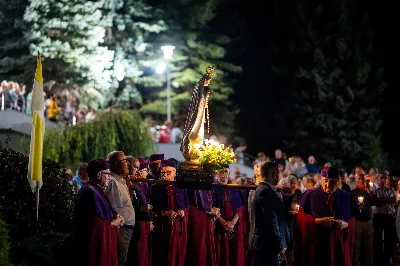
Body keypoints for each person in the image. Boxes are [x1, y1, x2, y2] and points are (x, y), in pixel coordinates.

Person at [295, 166, 358, 266]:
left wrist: (345, 224)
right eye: (325, 181)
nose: (328, 185)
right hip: (318, 243)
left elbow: (353, 219)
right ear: (321, 179)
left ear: (338, 180)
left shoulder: (346, 196)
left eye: (332, 181)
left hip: (338, 243)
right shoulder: (310, 194)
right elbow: (300, 218)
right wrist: (317, 221)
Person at [73, 159, 124, 266]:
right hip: (94, 249)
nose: (110, 178)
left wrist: (115, 215)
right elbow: (89, 223)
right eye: (108, 174)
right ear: (99, 175)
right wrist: (112, 223)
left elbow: (105, 210)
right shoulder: (88, 191)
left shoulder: (97, 189)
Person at [150, 160, 189, 266]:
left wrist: (182, 211)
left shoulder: (181, 187)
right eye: (163, 173)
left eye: (168, 173)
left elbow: (186, 206)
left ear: (175, 173)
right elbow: (151, 209)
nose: (165, 176)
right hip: (161, 227)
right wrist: (163, 212)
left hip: (177, 228)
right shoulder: (155, 187)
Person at [250, 162, 288, 266]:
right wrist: (279, 243)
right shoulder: (266, 192)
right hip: (267, 245)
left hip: (267, 244)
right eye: (278, 174)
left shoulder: (266, 190)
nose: (279, 177)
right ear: (273, 174)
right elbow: (272, 220)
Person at [107, 151, 136, 266]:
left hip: (127, 227)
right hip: (121, 228)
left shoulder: (122, 182)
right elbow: (114, 209)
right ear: (114, 164)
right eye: (124, 161)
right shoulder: (113, 183)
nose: (128, 164)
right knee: (120, 259)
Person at [213, 165, 244, 266]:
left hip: (233, 229)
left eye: (226, 171)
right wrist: (224, 223)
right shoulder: (213, 188)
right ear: (217, 172)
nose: (224, 174)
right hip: (218, 227)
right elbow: (211, 207)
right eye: (221, 171)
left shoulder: (234, 188)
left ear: (229, 172)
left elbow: (239, 209)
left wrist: (232, 223)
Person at [350, 173, 374, 266]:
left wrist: (369, 191)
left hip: (368, 221)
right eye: (359, 179)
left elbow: (373, 202)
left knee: (369, 246)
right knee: (356, 246)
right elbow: (351, 207)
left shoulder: (368, 192)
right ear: (356, 180)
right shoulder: (353, 193)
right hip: (358, 222)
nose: (361, 181)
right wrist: (358, 207)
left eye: (362, 179)